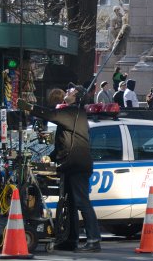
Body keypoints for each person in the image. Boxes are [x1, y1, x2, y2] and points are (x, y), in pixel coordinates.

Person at [19, 85, 102, 252]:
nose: (68, 92)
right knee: (69, 203)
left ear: (77, 97)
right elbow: (64, 143)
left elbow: (51, 115)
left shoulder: (73, 112)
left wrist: (29, 107)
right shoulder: (72, 114)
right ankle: (70, 240)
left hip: (77, 165)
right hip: (70, 164)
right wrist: (50, 158)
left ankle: (94, 240)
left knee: (82, 201)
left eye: (71, 91)